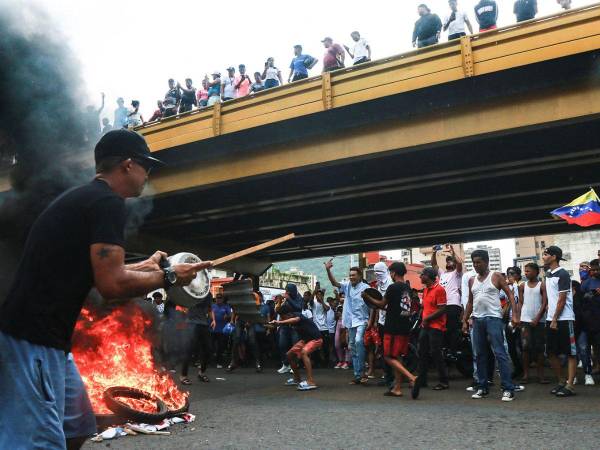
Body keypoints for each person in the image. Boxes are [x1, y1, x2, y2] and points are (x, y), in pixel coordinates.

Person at [0, 129, 212, 449]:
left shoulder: (89, 198)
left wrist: (154, 267)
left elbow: (105, 273)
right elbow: (112, 286)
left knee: (78, 426)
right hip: (31, 341)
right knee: (39, 442)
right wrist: (170, 279)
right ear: (127, 165)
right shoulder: (106, 204)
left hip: (51, 342)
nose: (148, 175)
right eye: (146, 166)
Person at [463, 249, 519, 401]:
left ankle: (508, 388)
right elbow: (470, 301)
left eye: (478, 262)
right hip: (477, 320)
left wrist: (514, 314)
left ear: (486, 262)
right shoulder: (471, 280)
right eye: (474, 262)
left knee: (500, 353)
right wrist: (464, 320)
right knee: (479, 354)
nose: (476, 265)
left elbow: (510, 295)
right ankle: (482, 387)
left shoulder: (496, 276)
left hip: (493, 319)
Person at [362, 262, 419, 398]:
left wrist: (367, 297)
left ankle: (412, 377)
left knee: (387, 356)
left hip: (393, 326)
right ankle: (397, 388)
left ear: (393, 273)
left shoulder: (393, 287)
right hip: (404, 326)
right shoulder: (407, 287)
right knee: (397, 356)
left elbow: (381, 304)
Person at [325, 259, 370, 385]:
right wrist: (328, 270)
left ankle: (363, 372)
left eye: (354, 275)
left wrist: (372, 321)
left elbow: (372, 305)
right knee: (352, 348)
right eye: (350, 275)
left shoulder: (366, 288)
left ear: (359, 276)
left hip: (362, 320)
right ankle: (357, 375)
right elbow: (334, 282)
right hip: (350, 322)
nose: (351, 277)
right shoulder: (347, 285)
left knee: (358, 341)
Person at [543, 246, 577, 397]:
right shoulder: (548, 274)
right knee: (550, 352)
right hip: (551, 318)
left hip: (564, 319)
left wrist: (555, 318)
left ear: (554, 257)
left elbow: (562, 300)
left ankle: (570, 385)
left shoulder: (563, 274)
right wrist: (550, 317)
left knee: (570, 353)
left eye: (545, 254)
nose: (543, 257)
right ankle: (561, 381)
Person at [271, 303, 323, 390]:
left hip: (316, 339)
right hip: (305, 340)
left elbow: (295, 320)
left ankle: (311, 382)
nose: (282, 319)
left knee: (304, 353)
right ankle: (297, 379)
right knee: (289, 355)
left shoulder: (297, 315)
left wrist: (279, 322)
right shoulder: (288, 320)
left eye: (283, 317)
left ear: (288, 314)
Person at [416, 267, 449, 392]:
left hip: (436, 327)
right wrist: (422, 318)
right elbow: (425, 307)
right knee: (422, 352)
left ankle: (444, 381)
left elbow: (442, 309)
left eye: (422, 275)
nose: (420, 277)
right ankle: (422, 380)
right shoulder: (425, 290)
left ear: (428, 276)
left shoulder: (439, 289)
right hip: (426, 326)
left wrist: (427, 318)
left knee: (436, 353)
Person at [518, 263, 548, 384]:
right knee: (525, 348)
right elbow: (520, 302)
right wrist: (520, 316)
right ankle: (526, 374)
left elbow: (545, 303)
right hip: (525, 320)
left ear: (536, 272)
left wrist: (537, 317)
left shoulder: (542, 285)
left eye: (528, 271)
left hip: (539, 321)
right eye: (525, 271)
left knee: (540, 348)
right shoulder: (522, 286)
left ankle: (541, 375)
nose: (526, 273)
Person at [431, 244, 463, 359]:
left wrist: (453, 250)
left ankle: (453, 351)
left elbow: (459, 262)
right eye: (447, 261)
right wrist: (434, 252)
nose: (449, 262)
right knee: (442, 329)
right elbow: (434, 264)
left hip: (453, 304)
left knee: (452, 329)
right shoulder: (443, 274)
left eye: (451, 261)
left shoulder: (457, 274)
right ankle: (445, 351)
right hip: (443, 306)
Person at [180, 292, 212, 384]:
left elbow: (209, 309)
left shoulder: (208, 294)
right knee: (189, 350)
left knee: (208, 350)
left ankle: (201, 373)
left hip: (204, 324)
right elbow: (182, 305)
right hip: (191, 324)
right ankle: (183, 376)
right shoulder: (191, 290)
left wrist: (213, 319)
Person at [372, 261, 394, 387]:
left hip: (390, 322)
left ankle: (392, 377)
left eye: (379, 272)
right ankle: (387, 376)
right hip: (381, 321)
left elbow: (382, 304)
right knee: (383, 350)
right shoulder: (379, 284)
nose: (378, 275)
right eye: (376, 273)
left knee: (389, 351)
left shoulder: (390, 284)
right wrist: (375, 321)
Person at [579, 258, 600, 385]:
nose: (595, 272)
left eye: (598, 269)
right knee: (589, 346)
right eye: (593, 270)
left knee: (598, 346)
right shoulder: (586, 283)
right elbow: (581, 299)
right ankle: (596, 366)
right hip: (589, 319)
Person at [276, 283, 303, 374]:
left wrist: (288, 299)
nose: (286, 292)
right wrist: (280, 302)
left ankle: (294, 365)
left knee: (295, 346)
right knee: (282, 345)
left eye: (288, 290)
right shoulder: (287, 298)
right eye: (286, 290)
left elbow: (298, 308)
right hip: (285, 325)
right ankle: (286, 365)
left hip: (295, 326)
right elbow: (279, 311)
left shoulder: (299, 297)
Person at [211, 292, 232, 368]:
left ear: (222, 299)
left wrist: (227, 316)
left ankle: (219, 362)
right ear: (215, 299)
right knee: (210, 346)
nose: (218, 299)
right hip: (212, 330)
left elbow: (230, 315)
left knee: (220, 347)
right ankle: (209, 361)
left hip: (222, 330)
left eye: (220, 298)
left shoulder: (226, 307)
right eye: (217, 298)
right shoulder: (212, 306)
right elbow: (208, 314)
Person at [311, 285, 331, 368]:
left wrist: (322, 301)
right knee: (315, 347)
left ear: (322, 296)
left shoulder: (325, 303)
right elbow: (310, 300)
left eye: (320, 295)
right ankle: (316, 362)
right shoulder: (314, 304)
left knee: (326, 346)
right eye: (317, 295)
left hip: (324, 328)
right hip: (316, 328)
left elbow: (327, 309)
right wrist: (314, 291)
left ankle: (326, 362)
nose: (319, 296)